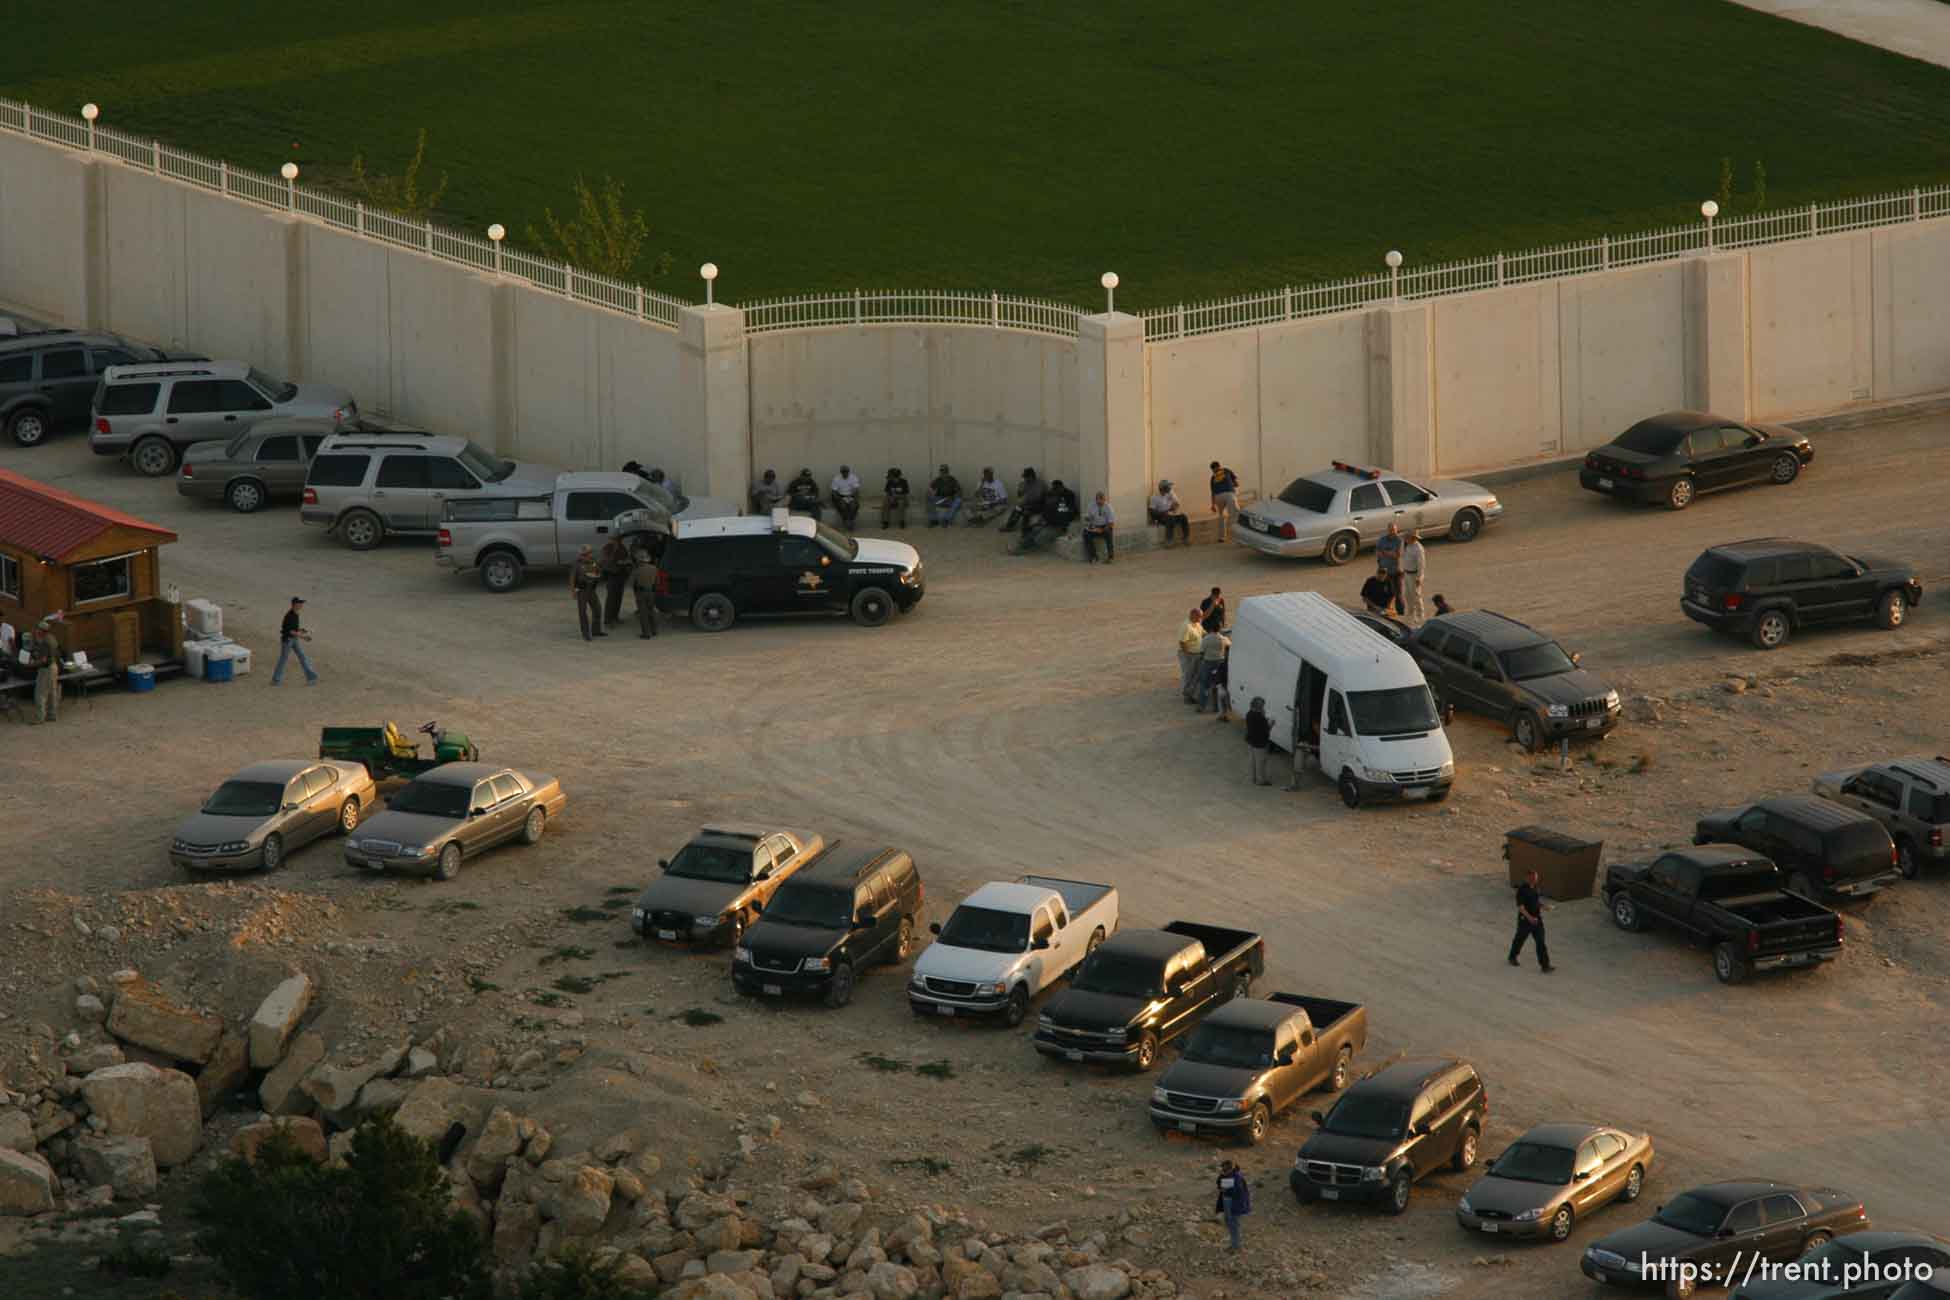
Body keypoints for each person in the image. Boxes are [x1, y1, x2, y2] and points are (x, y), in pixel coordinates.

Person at [1509, 869, 1554, 973]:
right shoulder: (1522, 890)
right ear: (1527, 878)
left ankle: (1545, 966)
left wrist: (1545, 907)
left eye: (1536, 878)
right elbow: (1521, 907)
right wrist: (1530, 918)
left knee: (1540, 942)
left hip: (1537, 919)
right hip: (1525, 920)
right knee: (1520, 939)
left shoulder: (1536, 888)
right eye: (1533, 878)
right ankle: (1512, 957)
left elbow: (1536, 902)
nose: (1535, 879)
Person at [270, 597, 318, 686]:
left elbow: (294, 629)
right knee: (283, 660)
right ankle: (276, 680)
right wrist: (304, 637)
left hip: (293, 639)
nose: (301, 605)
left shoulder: (296, 614)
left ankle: (311, 677)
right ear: (295, 604)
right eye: (300, 603)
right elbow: (291, 631)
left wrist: (303, 630)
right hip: (288, 641)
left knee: (302, 657)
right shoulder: (290, 616)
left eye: (301, 603)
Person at [28, 616, 61, 722]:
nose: (36, 631)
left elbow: (43, 660)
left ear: (41, 631)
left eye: (38, 629)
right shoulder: (52, 638)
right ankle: (52, 715)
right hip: (53, 667)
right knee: (52, 692)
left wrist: (31, 664)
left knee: (40, 694)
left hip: (46, 669)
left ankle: (39, 717)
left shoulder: (45, 642)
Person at [570, 545, 606, 641]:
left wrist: (598, 572)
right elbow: (572, 578)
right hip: (582, 590)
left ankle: (596, 630)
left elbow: (598, 571)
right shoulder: (577, 564)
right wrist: (573, 591)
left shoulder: (593, 561)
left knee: (597, 609)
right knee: (582, 612)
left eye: (590, 553)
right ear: (583, 554)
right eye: (589, 553)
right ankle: (585, 633)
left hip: (592, 589)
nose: (590, 554)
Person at [1215, 1159, 1251, 1252]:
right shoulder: (1225, 1175)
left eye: (1225, 1170)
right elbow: (1219, 1183)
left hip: (1234, 1203)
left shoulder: (1237, 1177)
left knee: (1234, 1223)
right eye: (1223, 1170)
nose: (1224, 1172)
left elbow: (1239, 1192)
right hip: (1227, 1201)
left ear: (1231, 1169)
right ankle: (1234, 1243)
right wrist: (1222, 1182)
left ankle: (1236, 1246)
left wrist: (1227, 1189)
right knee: (1228, 1222)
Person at [599, 533, 633, 625]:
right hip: (612, 575)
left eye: (617, 540)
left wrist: (626, 562)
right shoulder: (607, 548)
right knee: (611, 599)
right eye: (614, 539)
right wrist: (616, 558)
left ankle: (615, 617)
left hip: (621, 576)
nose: (615, 541)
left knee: (618, 598)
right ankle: (608, 620)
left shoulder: (622, 547)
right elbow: (605, 561)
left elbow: (626, 558)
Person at [1198, 623, 1230, 714]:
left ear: (1211, 629)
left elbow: (1202, 651)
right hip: (1219, 663)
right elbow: (1229, 645)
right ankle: (1216, 707)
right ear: (1219, 629)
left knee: (1204, 685)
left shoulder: (1206, 639)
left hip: (1208, 662)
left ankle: (1202, 706)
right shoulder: (1223, 639)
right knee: (1217, 686)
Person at [1375, 523, 1405, 615]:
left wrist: (1384, 552)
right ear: (1388, 530)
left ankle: (1401, 612)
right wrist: (1388, 553)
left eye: (1394, 530)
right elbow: (1377, 553)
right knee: (1386, 591)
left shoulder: (1399, 540)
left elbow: (1397, 555)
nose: (1392, 532)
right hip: (1384, 571)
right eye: (1390, 530)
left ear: (1396, 530)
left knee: (1398, 592)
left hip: (1396, 571)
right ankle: (1386, 609)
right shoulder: (1382, 539)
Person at [1177, 607, 1206, 704]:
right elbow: (1182, 642)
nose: (1201, 618)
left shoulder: (1197, 624)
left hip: (1197, 654)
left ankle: (1191, 695)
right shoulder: (1186, 626)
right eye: (1199, 616)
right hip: (1188, 655)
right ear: (1193, 615)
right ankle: (1187, 697)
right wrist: (1188, 656)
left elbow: (1203, 634)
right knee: (1188, 676)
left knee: (1195, 676)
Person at [631, 545, 660, 639]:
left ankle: (646, 633)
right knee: (651, 611)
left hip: (641, 593)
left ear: (639, 560)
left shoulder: (636, 570)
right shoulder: (654, 568)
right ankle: (654, 630)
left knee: (643, 614)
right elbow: (657, 582)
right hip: (651, 592)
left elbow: (631, 583)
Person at [1148, 479, 1189, 546]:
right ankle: (1169, 540)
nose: (1170, 488)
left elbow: (1177, 504)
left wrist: (1174, 506)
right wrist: (1164, 512)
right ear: (1163, 488)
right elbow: (1152, 511)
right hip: (1161, 516)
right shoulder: (1154, 497)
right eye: (1168, 487)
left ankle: (1186, 538)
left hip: (1171, 514)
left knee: (1183, 517)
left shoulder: (1170, 494)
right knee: (1170, 519)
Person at [1208, 461, 1240, 543]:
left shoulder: (1213, 477)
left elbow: (1213, 493)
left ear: (1212, 469)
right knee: (1234, 515)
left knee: (1221, 516)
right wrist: (1233, 485)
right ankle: (1237, 536)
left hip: (1218, 497)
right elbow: (1236, 483)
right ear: (1219, 466)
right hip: (1229, 494)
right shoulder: (1226, 470)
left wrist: (1212, 504)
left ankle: (1222, 537)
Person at [1002, 467, 1043, 532]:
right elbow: (1019, 495)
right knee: (1017, 508)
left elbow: (1038, 497)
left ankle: (1025, 532)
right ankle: (1009, 526)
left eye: (1026, 477)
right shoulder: (1025, 483)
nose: (1025, 479)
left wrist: (1026, 502)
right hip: (1026, 504)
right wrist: (1020, 490)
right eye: (1025, 477)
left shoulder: (1039, 484)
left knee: (1026, 512)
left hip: (1037, 505)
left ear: (1031, 476)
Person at [1401, 527, 1427, 623]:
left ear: (1413, 538)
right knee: (1408, 595)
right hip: (1407, 574)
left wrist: (1419, 577)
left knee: (1416, 596)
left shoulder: (1418, 549)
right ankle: (1411, 614)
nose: (1405, 539)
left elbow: (1421, 564)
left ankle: (1420, 615)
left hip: (1414, 575)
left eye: (1407, 537)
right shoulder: (1407, 545)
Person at [1245, 697, 1273, 785]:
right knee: (1261, 762)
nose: (1263, 707)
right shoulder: (1260, 717)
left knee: (1252, 761)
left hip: (1250, 741)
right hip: (1260, 743)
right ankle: (1261, 780)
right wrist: (1271, 723)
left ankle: (1252, 778)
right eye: (1262, 705)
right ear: (1259, 707)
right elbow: (1266, 730)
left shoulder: (1249, 714)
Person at [1081, 492, 1115, 563]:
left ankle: (1110, 557)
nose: (1100, 503)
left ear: (1104, 500)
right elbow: (1088, 518)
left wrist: (1102, 529)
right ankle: (1093, 556)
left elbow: (1111, 523)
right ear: (1096, 500)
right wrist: (1088, 519)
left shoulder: (1108, 507)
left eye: (1102, 501)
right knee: (1085, 534)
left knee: (1109, 534)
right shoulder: (1091, 505)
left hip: (1105, 526)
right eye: (1098, 501)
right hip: (1095, 526)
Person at [829, 464, 863, 531]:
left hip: (851, 496)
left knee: (853, 506)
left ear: (848, 471)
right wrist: (839, 499)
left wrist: (855, 499)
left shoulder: (853, 477)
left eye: (846, 471)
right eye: (843, 472)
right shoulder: (836, 479)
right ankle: (847, 521)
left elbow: (856, 490)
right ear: (841, 472)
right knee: (843, 506)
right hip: (840, 496)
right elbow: (834, 492)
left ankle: (850, 521)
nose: (845, 473)